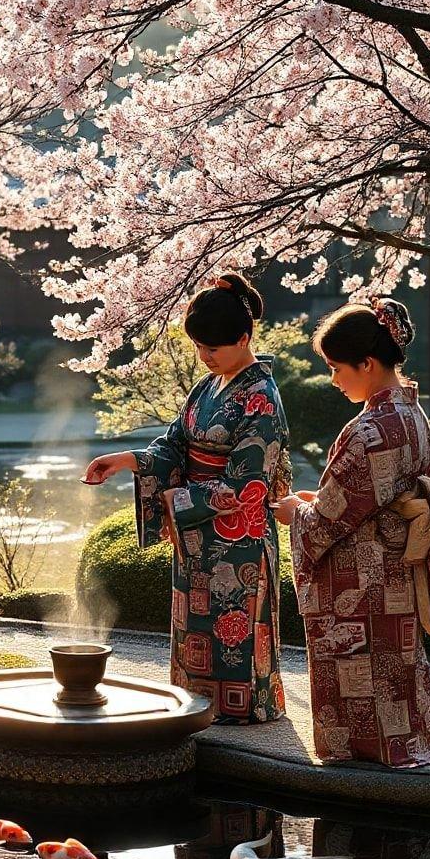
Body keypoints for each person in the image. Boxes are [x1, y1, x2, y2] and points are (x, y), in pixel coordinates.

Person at [273, 297, 430, 767]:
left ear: (366, 363)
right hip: (395, 566)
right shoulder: (412, 415)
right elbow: (355, 500)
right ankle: (406, 741)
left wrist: (294, 514)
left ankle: (367, 750)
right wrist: (315, 502)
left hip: (362, 577)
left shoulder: (371, 431)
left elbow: (327, 522)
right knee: (395, 662)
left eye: (336, 367)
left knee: (362, 662)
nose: (334, 379)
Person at [84, 273, 291, 724]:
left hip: (239, 537)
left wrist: (178, 499)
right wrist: (127, 459)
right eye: (199, 347)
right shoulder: (206, 387)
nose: (204, 357)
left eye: (213, 348)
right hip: (196, 529)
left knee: (234, 625)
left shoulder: (262, 398)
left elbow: (247, 486)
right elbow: (175, 444)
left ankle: (245, 709)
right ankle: (196, 705)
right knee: (194, 626)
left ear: (244, 337)